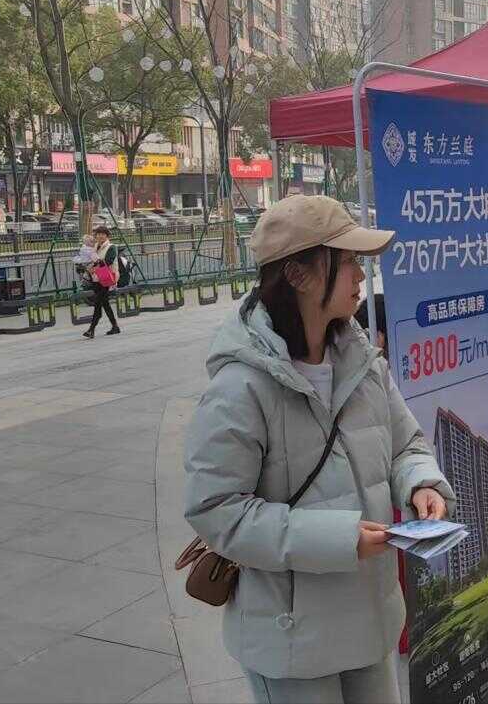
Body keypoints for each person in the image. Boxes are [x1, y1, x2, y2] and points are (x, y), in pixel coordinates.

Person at [182, 194, 454, 704]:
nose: (360, 275)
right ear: (298, 275)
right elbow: (216, 509)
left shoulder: (362, 362)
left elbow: (406, 443)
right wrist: (338, 537)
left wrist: (421, 483)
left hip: (370, 618)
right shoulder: (240, 387)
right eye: (347, 260)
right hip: (291, 639)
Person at [82, 227, 120, 339]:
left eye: (103, 234)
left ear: (107, 236)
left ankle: (91, 329)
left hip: (107, 279)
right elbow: (91, 260)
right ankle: (115, 326)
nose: (100, 236)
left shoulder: (111, 247)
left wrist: (94, 265)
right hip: (97, 279)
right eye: (98, 234)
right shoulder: (95, 247)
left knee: (98, 303)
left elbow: (108, 261)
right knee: (104, 303)